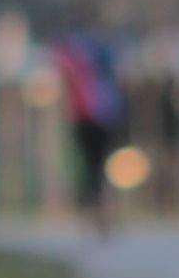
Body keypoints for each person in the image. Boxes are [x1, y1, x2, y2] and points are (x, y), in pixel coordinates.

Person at [49, 24, 128, 230]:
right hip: (94, 117)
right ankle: (100, 214)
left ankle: (100, 214)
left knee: (96, 169)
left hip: (94, 117)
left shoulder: (83, 58)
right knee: (96, 169)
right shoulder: (95, 58)